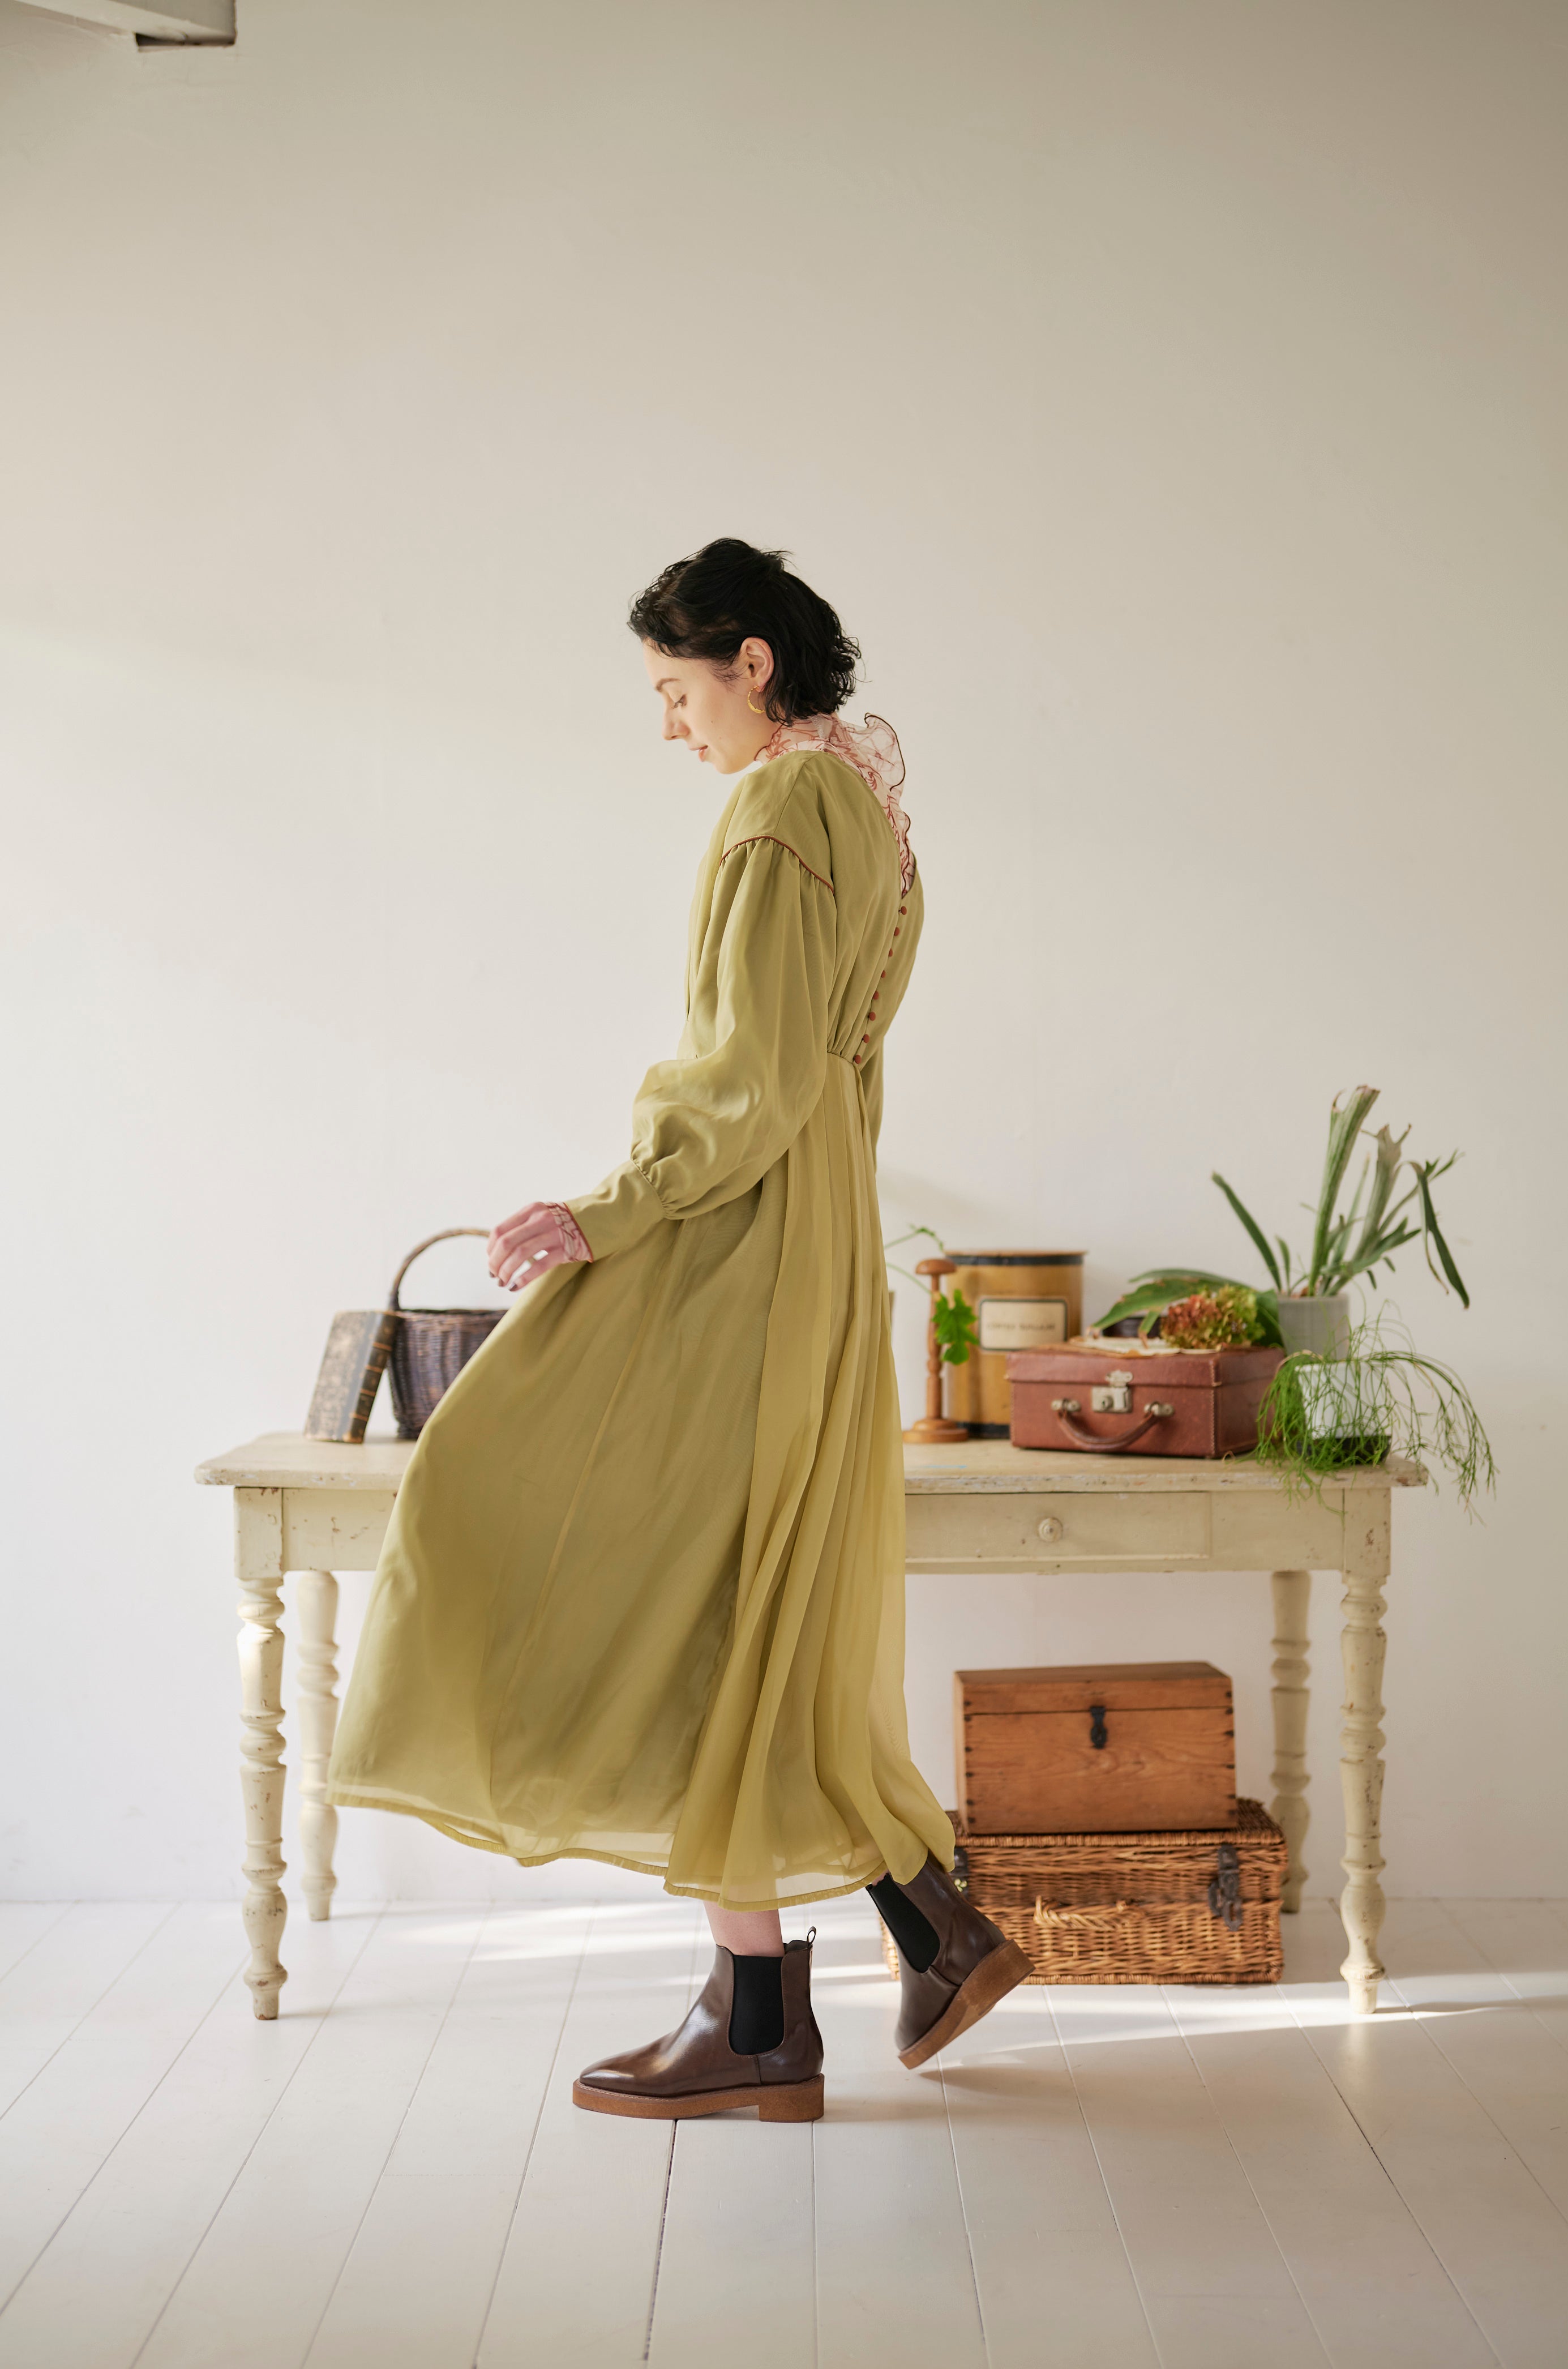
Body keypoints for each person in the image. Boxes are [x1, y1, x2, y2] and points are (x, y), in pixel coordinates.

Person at [325, 538, 1031, 2123]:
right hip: (819, 1236)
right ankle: (866, 1956)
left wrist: (611, 1210)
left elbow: (749, 1075)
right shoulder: (871, 811)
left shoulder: (780, 807)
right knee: (750, 1605)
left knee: (544, 1514)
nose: (667, 725)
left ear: (750, 664)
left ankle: (799, 1996)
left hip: (744, 1239)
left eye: (674, 690)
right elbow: (825, 1076)